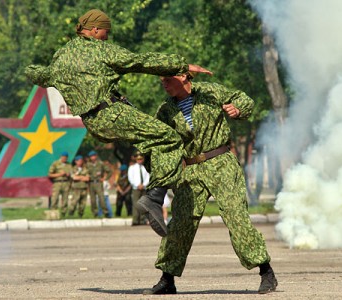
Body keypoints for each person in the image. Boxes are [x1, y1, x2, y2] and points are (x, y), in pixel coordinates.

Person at [25, 8, 212, 237]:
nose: (107, 36)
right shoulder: (101, 51)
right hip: (111, 113)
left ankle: (164, 188)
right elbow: (140, 61)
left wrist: (28, 70)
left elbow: (40, 76)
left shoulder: (60, 58)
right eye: (105, 32)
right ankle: (154, 198)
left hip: (94, 124)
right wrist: (180, 66)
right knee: (169, 138)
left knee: (152, 146)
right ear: (94, 30)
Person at [143, 74, 278, 295]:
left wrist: (238, 109)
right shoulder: (165, 110)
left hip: (220, 162)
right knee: (180, 224)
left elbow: (243, 99)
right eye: (162, 81)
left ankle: (266, 272)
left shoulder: (209, 92)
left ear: (184, 76)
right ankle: (167, 279)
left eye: (168, 79)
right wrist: (151, 163)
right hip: (190, 168)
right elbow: (157, 141)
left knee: (236, 217)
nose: (164, 84)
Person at [86, 150, 111, 217]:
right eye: (91, 156)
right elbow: (85, 173)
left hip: (98, 183)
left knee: (101, 198)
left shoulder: (101, 164)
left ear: (96, 156)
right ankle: (95, 213)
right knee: (93, 200)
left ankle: (105, 212)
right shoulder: (88, 165)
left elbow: (109, 171)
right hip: (91, 183)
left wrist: (105, 178)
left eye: (94, 156)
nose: (93, 157)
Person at [48, 151, 72, 218]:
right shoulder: (55, 163)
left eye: (66, 157)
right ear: (61, 157)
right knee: (55, 199)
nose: (65, 158)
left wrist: (68, 174)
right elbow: (50, 174)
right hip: (57, 183)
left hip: (66, 183)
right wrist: (59, 174)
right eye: (63, 157)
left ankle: (63, 214)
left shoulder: (69, 164)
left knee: (65, 200)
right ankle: (53, 213)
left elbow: (72, 173)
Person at [128, 151, 150, 226]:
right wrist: (137, 185)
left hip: (144, 188)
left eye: (141, 159)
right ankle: (135, 220)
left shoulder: (146, 167)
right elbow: (130, 178)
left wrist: (143, 185)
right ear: (136, 159)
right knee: (135, 204)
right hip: (136, 188)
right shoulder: (132, 168)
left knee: (144, 204)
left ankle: (143, 219)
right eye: (138, 159)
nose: (139, 160)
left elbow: (148, 177)